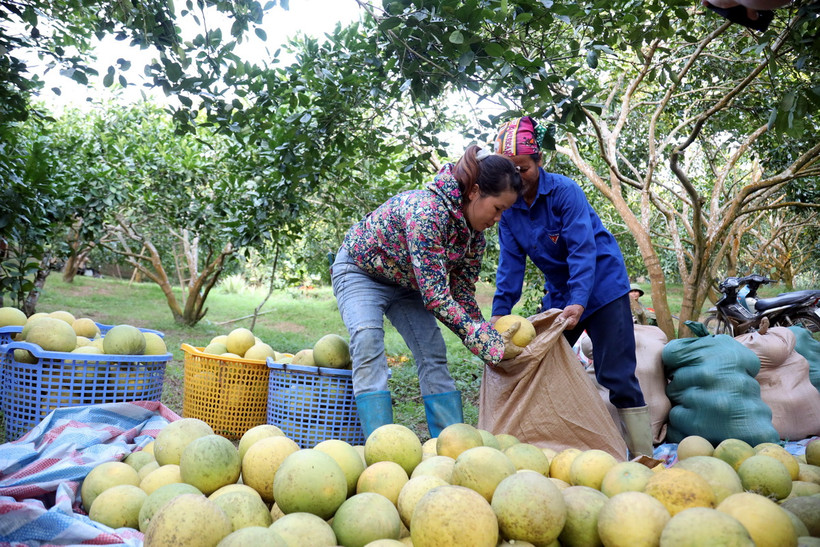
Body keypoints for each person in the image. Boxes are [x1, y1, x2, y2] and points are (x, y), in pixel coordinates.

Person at [331, 145, 525, 439]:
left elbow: (461, 295)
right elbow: (436, 296)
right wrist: (484, 343)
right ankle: (381, 445)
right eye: (498, 209)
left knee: (432, 352)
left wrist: (485, 334)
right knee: (368, 339)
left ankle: (451, 442)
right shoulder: (427, 212)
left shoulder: (474, 237)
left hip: (406, 284)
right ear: (474, 192)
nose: (498, 219)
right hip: (361, 271)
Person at [490, 116, 654, 458]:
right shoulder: (508, 210)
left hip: (603, 287)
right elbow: (510, 266)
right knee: (542, 363)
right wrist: (497, 319)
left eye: (523, 168)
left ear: (539, 162)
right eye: (510, 170)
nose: (517, 178)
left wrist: (580, 301)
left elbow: (583, 249)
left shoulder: (564, 192)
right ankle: (561, 445)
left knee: (616, 374)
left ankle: (642, 454)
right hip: (562, 294)